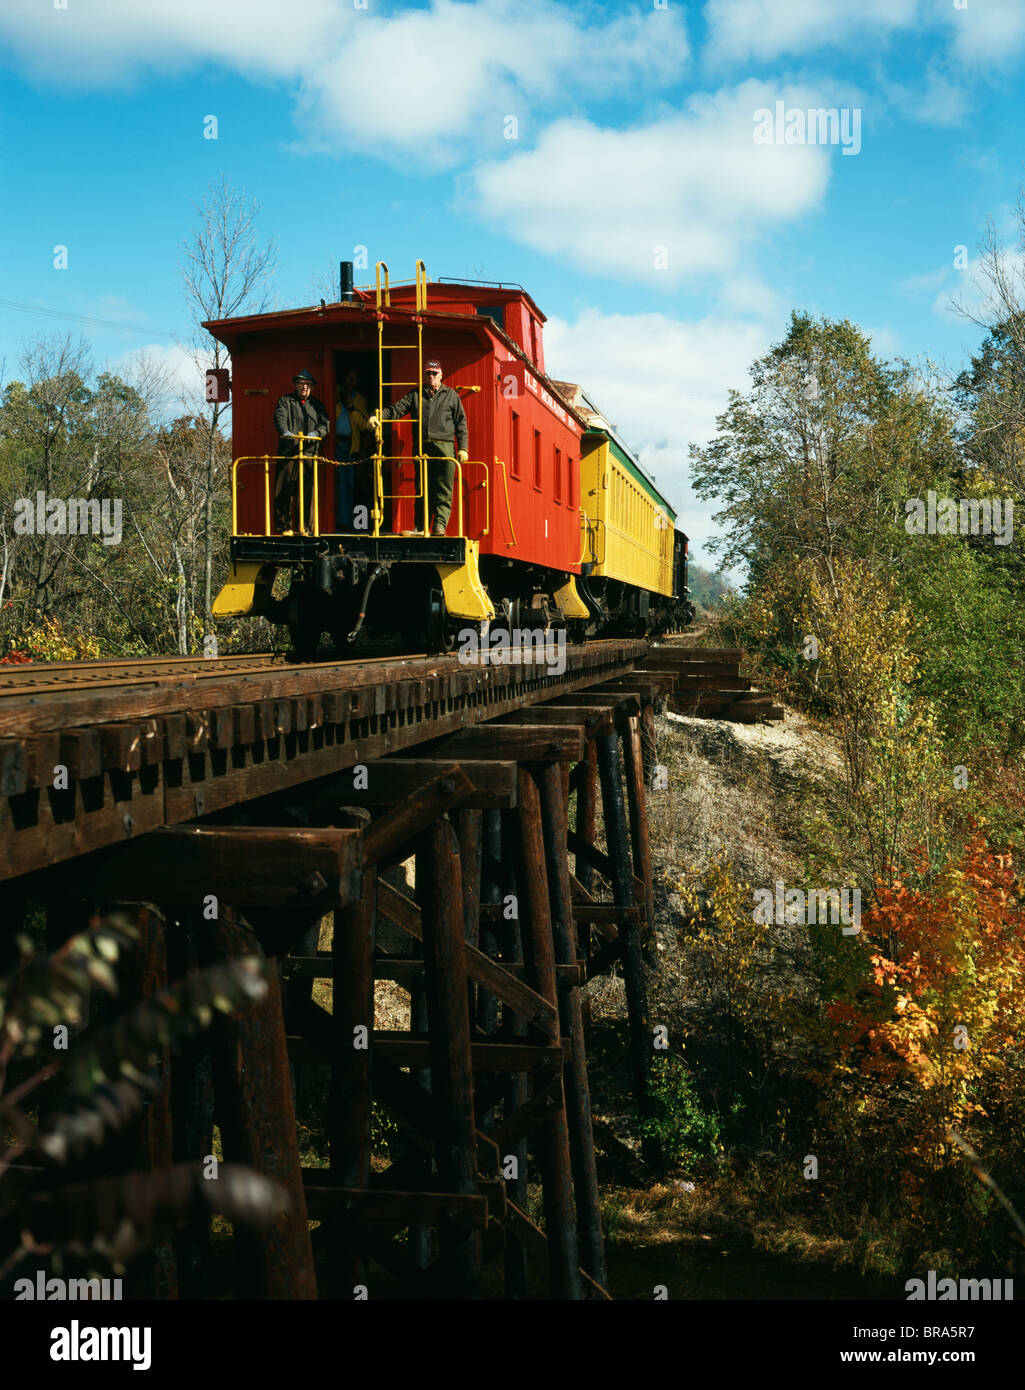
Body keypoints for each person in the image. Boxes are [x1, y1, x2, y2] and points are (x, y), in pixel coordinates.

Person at [368, 359, 468, 536]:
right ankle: (421, 528)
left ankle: (439, 526)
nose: (431, 377)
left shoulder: (451, 395)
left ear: (441, 375)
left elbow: (461, 423)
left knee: (443, 488)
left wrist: (463, 448)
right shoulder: (415, 395)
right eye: (428, 373)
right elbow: (396, 409)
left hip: (445, 446)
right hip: (422, 447)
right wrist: (377, 416)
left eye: (434, 373)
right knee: (422, 487)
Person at [273, 369, 329, 534]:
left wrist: (316, 434)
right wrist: (286, 432)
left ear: (312, 386)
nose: (304, 387)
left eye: (307, 384)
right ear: (295, 385)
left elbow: (325, 424)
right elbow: (279, 418)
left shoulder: (317, 405)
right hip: (289, 453)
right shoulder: (285, 401)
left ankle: (304, 527)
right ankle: (284, 527)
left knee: (308, 492)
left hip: (309, 454)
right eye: (301, 383)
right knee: (284, 491)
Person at [334, 367, 370, 530]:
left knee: (350, 484)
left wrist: (352, 409)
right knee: (339, 484)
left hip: (351, 446)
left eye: (354, 379)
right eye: (349, 377)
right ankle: (340, 522)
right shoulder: (333, 395)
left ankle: (349, 523)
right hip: (335, 444)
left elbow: (364, 425)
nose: (351, 381)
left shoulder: (360, 400)